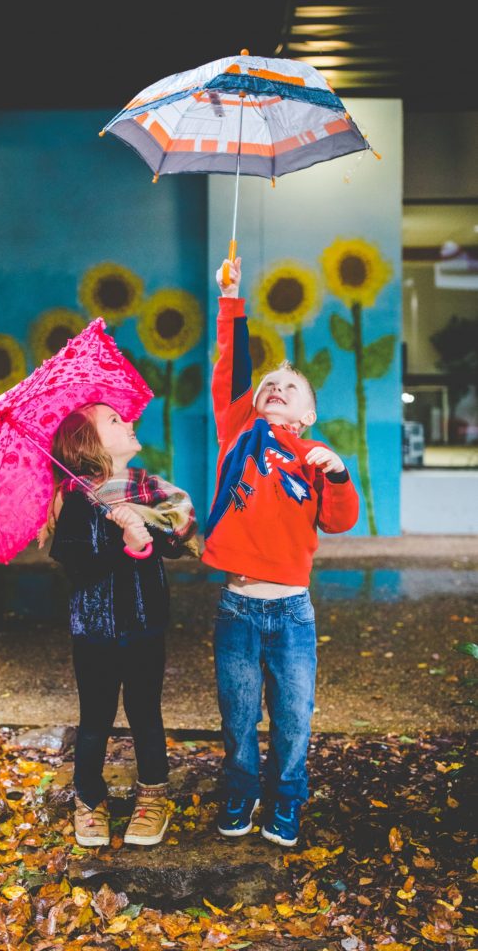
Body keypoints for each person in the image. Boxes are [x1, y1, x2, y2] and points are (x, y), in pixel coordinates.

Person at [202, 257, 359, 847]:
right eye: (269, 385)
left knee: (293, 720)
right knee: (238, 718)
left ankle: (287, 800)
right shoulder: (238, 432)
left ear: (307, 414)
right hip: (237, 609)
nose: (275, 389)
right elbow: (233, 370)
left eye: (289, 388)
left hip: (292, 613)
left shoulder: (315, 457)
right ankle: (240, 792)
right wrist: (232, 299)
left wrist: (339, 473)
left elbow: (341, 520)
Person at [43, 402, 198, 849]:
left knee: (146, 713)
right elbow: (79, 568)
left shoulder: (149, 492)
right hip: (93, 634)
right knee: (95, 719)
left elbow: (173, 544)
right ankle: (89, 798)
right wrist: (125, 545)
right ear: (89, 443)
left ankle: (153, 795)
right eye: (113, 420)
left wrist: (146, 529)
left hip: (145, 626)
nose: (128, 422)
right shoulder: (75, 501)